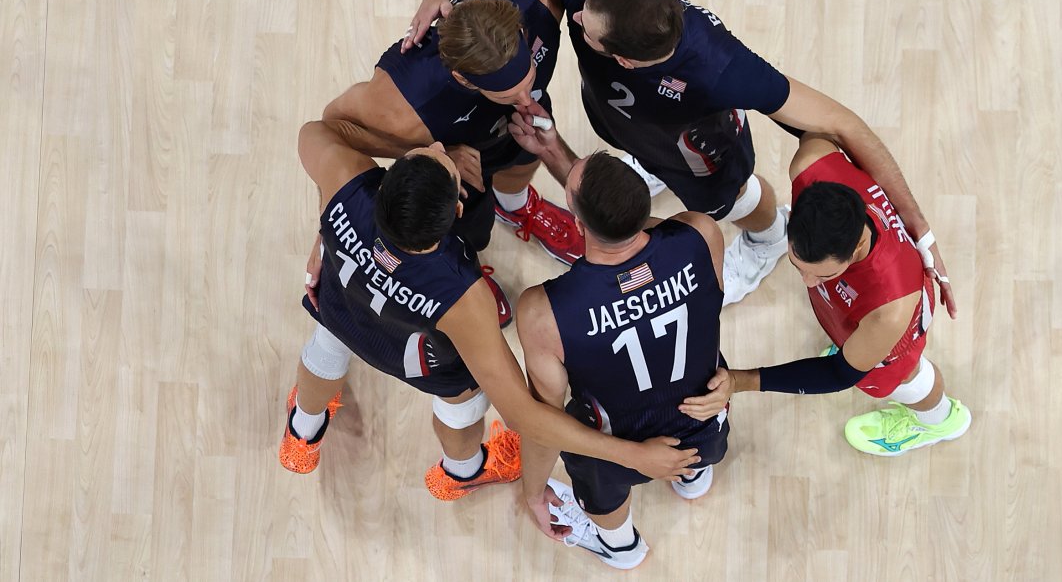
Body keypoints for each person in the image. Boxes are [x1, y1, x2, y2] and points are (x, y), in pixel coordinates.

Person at [404, 0, 956, 314]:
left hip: (701, 154)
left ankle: (766, 239)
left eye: (584, 31)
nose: (572, 15)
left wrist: (923, 235)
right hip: (632, 129)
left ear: (622, 57)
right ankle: (647, 164)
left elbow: (845, 125)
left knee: (735, 197)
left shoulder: (723, 68)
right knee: (634, 159)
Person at [279, 121, 701, 502]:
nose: (440, 142)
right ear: (457, 212)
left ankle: (303, 431)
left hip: (340, 311)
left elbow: (316, 129)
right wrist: (631, 454)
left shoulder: (343, 181)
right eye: (441, 155)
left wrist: (326, 231)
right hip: (418, 359)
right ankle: (464, 471)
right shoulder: (465, 298)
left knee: (324, 350)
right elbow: (522, 414)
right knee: (462, 403)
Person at [508, 116, 731, 569]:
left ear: (576, 218)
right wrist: (555, 153)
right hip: (707, 425)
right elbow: (641, 233)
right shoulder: (701, 233)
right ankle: (693, 479)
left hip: (612, 452)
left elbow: (542, 421)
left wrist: (533, 490)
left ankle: (620, 547)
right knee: (699, 416)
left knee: (594, 473)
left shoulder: (541, 312)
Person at [314, 0, 583, 326]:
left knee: (521, 161)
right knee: (463, 233)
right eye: (508, 93)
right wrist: (430, 155)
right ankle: (467, 271)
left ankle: (518, 206)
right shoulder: (398, 102)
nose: (527, 100)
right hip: (457, 165)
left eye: (528, 78)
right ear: (465, 80)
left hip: (510, 136)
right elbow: (332, 128)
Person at [693, 135, 971, 456]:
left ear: (857, 248)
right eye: (799, 267)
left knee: (907, 379)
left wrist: (739, 382)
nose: (810, 283)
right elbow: (824, 125)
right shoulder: (811, 164)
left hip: (892, 335)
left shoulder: (888, 310)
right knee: (850, 340)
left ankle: (938, 421)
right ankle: (855, 346)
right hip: (860, 317)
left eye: (824, 274)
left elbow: (839, 374)